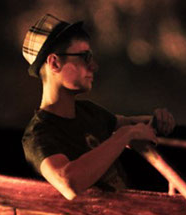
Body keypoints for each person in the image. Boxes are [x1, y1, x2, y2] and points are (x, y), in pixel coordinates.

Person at [21, 14, 175, 200]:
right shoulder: (39, 134)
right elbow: (69, 182)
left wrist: (157, 121)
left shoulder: (87, 111)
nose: (93, 66)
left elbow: (127, 123)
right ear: (54, 63)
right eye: (84, 57)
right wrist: (125, 135)